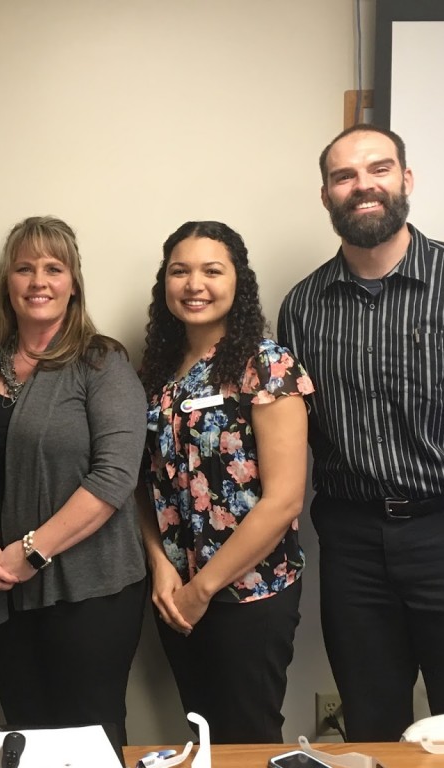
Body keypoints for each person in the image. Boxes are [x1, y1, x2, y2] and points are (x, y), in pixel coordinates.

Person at [278, 124, 444, 741]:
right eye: (344, 176)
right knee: (371, 722)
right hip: (353, 543)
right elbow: (305, 431)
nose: (363, 185)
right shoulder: (303, 306)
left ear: (406, 180)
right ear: (325, 195)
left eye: (379, 169)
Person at [0, 216, 147, 744]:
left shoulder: (101, 363)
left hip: (91, 595)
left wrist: (28, 553)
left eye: (54, 268)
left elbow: (114, 477)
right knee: (25, 737)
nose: (39, 281)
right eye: (25, 268)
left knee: (89, 740)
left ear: (73, 283)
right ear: (7, 282)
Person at [138, 221, 310, 744]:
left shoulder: (267, 365)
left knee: (248, 737)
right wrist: (163, 570)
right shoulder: (156, 373)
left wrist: (204, 589)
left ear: (239, 282)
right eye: (180, 271)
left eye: (212, 270)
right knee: (202, 734)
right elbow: (143, 484)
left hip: (249, 593)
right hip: (176, 593)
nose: (195, 284)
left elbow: (284, 501)